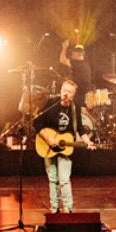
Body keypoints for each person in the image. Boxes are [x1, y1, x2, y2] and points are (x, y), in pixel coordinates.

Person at [31, 82, 86, 214]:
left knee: (64, 179)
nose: (65, 93)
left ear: (73, 95)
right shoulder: (51, 103)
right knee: (53, 178)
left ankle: (68, 209)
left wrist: (87, 141)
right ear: (60, 90)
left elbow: (80, 128)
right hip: (47, 145)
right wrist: (48, 138)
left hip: (64, 147)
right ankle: (54, 208)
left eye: (69, 92)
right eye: (64, 90)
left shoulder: (75, 107)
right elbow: (37, 122)